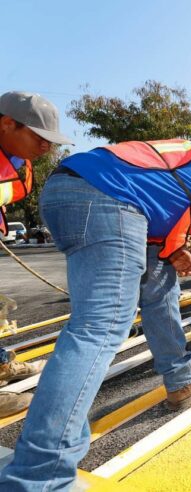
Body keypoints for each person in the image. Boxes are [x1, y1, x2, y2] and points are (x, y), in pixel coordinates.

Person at [0, 138, 191, 490]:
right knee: (99, 328)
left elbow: (164, 230)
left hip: (87, 194)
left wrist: (176, 252)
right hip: (105, 198)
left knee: (161, 285)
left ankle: (182, 379)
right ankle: (38, 474)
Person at [0, 91, 73, 417]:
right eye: (39, 137)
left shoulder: (19, 164)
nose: (47, 147)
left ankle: (1, 365)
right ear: (6, 124)